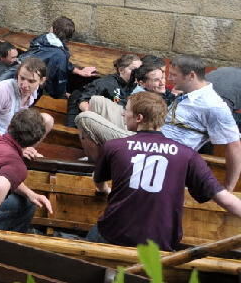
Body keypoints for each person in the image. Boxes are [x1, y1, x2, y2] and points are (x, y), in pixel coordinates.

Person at [89, 92, 241, 250]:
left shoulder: (114, 147)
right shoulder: (187, 154)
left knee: (97, 231)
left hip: (114, 235)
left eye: (126, 110)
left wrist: (104, 189)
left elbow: (98, 180)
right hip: (161, 244)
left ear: (139, 118)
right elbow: (224, 198)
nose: (123, 113)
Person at [162, 55, 241, 190]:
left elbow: (234, 146)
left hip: (167, 159)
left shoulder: (213, 105)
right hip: (151, 149)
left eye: (174, 75)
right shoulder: (189, 94)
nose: (169, 78)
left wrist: (228, 188)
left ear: (191, 76)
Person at [0, 57, 54, 158]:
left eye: (31, 81)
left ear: (41, 81)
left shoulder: (33, 92)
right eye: (22, 78)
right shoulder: (2, 90)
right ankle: (20, 152)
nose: (25, 85)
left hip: (9, 136)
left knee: (47, 120)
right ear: (17, 75)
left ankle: (27, 150)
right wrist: (14, 147)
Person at [7, 16, 97, 98]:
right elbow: (59, 82)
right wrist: (62, 94)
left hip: (12, 75)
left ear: (53, 29)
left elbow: (50, 58)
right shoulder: (60, 55)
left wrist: (76, 70)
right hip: (23, 88)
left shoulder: (42, 39)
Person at [68, 54, 141, 125]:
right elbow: (83, 101)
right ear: (121, 70)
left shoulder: (134, 86)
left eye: (140, 70)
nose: (137, 73)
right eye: (134, 70)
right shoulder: (105, 83)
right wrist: (100, 121)